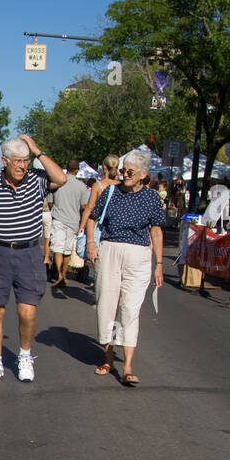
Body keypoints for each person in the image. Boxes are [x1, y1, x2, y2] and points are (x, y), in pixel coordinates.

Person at [0, 135, 67, 382]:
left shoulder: (37, 180)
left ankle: (25, 356)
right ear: (4, 161)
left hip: (28, 253)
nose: (22, 166)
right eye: (17, 161)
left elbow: (61, 178)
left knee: (27, 311)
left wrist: (38, 151)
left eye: (26, 161)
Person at [86, 148, 165, 386]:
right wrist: (91, 242)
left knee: (131, 309)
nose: (125, 174)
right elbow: (92, 217)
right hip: (110, 250)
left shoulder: (151, 198)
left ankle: (128, 366)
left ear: (143, 174)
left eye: (130, 171)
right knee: (106, 304)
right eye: (122, 170)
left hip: (139, 255)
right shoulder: (111, 192)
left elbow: (157, 231)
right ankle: (108, 356)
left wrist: (159, 264)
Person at [46, 158, 91, 290]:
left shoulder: (58, 182)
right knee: (66, 250)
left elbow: (49, 202)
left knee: (58, 248)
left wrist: (56, 208)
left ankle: (58, 274)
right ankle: (64, 275)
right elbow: (83, 206)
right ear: (77, 170)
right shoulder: (81, 186)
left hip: (58, 218)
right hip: (73, 221)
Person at [80, 155, 122, 284]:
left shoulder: (98, 186)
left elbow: (89, 208)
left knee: (99, 262)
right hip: (117, 227)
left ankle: (100, 290)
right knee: (116, 263)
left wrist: (82, 226)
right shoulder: (122, 187)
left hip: (99, 226)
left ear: (104, 167)